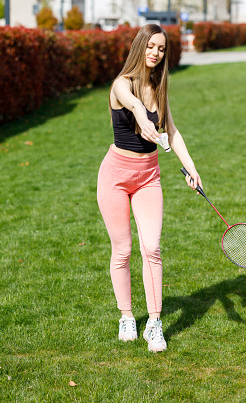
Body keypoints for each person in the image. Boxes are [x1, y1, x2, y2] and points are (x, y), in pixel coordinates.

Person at [97, 24, 202, 353]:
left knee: (152, 248)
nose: (155, 53)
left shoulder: (160, 87)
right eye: (150, 46)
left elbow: (172, 131)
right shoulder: (121, 84)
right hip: (115, 175)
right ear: (139, 47)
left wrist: (192, 167)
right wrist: (141, 114)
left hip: (148, 177)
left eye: (161, 49)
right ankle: (127, 316)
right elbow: (132, 104)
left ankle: (154, 323)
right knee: (123, 250)